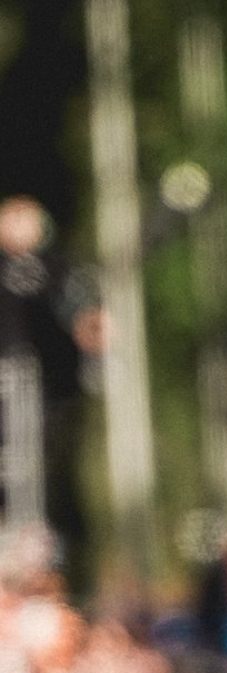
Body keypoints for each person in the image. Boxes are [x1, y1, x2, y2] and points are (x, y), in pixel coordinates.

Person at [0, 195, 105, 600]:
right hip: (8, 397)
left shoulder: (60, 268)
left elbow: (86, 315)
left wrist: (91, 329)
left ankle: (57, 577)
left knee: (51, 484)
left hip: (47, 398)